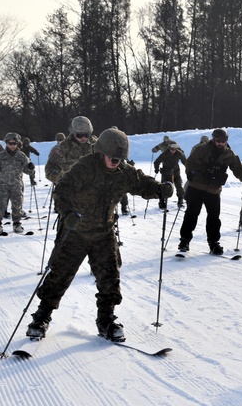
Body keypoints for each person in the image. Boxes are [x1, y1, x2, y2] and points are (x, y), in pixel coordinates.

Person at [24, 128, 173, 342]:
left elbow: (141, 183)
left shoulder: (124, 171)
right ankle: (41, 318)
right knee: (59, 275)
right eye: (112, 157)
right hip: (76, 231)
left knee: (109, 278)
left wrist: (160, 189)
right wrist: (67, 212)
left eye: (120, 158)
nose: (115, 162)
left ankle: (106, 320)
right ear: (101, 151)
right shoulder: (85, 167)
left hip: (103, 233)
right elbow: (62, 190)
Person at [178, 128, 242, 255]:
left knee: (214, 218)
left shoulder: (229, 154)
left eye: (224, 141)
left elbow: (237, 167)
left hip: (214, 190)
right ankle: (185, 240)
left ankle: (214, 243)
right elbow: (190, 162)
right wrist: (190, 172)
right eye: (218, 141)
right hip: (196, 187)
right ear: (214, 139)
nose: (221, 143)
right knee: (191, 214)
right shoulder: (202, 149)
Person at [0, 132, 36, 233]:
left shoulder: (21, 156)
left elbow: (27, 170)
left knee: (17, 204)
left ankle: (17, 223)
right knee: (1, 204)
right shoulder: (0, 156)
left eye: (14, 143)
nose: (12, 146)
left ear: (17, 144)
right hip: (2, 184)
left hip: (16, 184)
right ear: (6, 143)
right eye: (10, 143)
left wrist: (31, 168)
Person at [46, 116, 95, 185]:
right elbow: (51, 166)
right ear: (73, 133)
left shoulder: (95, 145)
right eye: (79, 135)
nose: (83, 138)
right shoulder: (62, 148)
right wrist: (55, 175)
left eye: (87, 135)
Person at [152, 141, 187, 208]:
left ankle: (180, 201)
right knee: (163, 188)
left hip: (176, 173)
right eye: (172, 149)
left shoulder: (179, 153)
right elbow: (157, 161)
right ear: (169, 148)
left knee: (179, 186)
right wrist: (156, 168)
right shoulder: (164, 154)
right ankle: (161, 202)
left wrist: (189, 169)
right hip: (166, 173)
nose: (173, 151)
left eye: (175, 149)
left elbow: (185, 162)